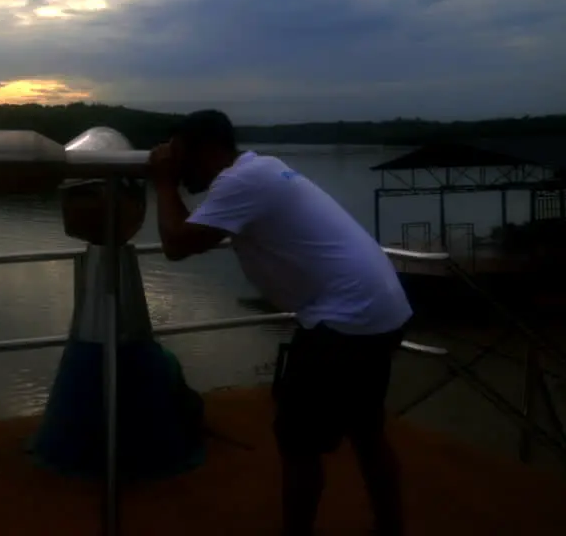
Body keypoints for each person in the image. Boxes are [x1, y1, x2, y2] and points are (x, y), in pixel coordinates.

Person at [148, 109, 412, 536]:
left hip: (344, 319)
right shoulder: (262, 168)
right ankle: (390, 527)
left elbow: (176, 244)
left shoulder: (240, 182)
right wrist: (171, 180)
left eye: (180, 155)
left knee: (297, 442)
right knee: (366, 431)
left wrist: (162, 182)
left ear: (206, 149)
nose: (177, 166)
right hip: (381, 306)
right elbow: (191, 231)